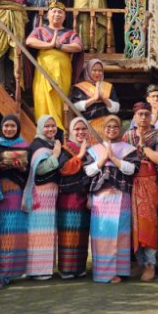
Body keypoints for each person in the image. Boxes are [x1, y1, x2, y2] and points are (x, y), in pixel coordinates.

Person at [85, 115, 139, 283]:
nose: (112, 130)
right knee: (102, 233)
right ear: (104, 129)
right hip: (101, 198)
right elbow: (88, 171)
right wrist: (103, 159)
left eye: (115, 127)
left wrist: (114, 159)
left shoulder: (128, 149)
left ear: (119, 129)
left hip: (121, 196)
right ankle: (104, 272)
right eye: (108, 127)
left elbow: (132, 169)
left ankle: (120, 270)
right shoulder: (94, 150)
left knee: (120, 234)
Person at [124, 102, 158, 281]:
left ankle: (150, 263)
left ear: (151, 117)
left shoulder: (157, 136)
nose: (143, 117)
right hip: (130, 184)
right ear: (134, 117)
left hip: (150, 183)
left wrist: (143, 147)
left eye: (146, 114)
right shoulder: (127, 136)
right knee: (132, 224)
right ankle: (140, 262)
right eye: (140, 114)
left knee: (148, 224)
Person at [0, 115, 31, 290]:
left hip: (15, 195)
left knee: (10, 233)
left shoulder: (24, 145)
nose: (9, 129)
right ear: (1, 127)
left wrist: (22, 167)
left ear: (18, 128)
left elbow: (29, 171)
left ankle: (4, 274)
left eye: (13, 126)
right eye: (6, 126)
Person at [25, 0, 83, 128]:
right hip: (43, 71)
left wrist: (60, 46)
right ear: (47, 15)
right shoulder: (40, 30)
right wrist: (49, 45)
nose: (57, 14)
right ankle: (44, 129)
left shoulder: (70, 33)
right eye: (54, 11)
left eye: (60, 12)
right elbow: (29, 41)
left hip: (63, 71)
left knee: (61, 100)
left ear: (64, 16)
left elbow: (78, 46)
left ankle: (61, 131)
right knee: (42, 99)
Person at [25, 116, 64, 280]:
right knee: (39, 231)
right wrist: (55, 155)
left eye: (53, 126)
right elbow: (40, 170)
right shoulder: (37, 145)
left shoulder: (52, 143)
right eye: (46, 126)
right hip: (40, 194)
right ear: (40, 128)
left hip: (51, 194)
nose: (50, 129)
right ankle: (37, 269)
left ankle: (45, 268)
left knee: (48, 232)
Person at [57, 117, 92, 278]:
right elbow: (64, 169)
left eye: (83, 129)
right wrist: (81, 154)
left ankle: (79, 267)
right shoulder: (66, 148)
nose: (80, 132)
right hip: (69, 196)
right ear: (71, 131)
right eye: (77, 129)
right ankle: (66, 268)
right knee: (69, 231)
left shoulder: (93, 148)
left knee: (82, 232)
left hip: (85, 195)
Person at [70, 58, 120, 138]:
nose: (97, 73)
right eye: (94, 70)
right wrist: (94, 98)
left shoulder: (108, 86)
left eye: (100, 71)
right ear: (89, 71)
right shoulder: (80, 87)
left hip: (106, 127)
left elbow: (116, 109)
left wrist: (104, 98)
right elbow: (75, 107)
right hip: (86, 126)